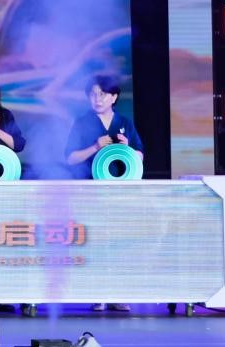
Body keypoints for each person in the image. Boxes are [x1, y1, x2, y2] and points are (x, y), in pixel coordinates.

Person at [64, 74, 143, 312]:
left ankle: (118, 293)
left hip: (119, 192)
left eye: (103, 94)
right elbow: (70, 158)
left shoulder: (124, 122)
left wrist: (127, 148)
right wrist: (95, 146)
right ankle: (97, 293)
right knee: (94, 242)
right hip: (90, 190)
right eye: (93, 94)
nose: (97, 99)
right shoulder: (82, 123)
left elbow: (140, 156)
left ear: (114, 97)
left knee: (120, 242)